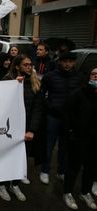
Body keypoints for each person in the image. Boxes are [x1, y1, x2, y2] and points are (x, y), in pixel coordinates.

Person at [0, 55, 43, 202]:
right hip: (10, 127)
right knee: (6, 156)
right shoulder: (7, 80)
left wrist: (32, 130)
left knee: (21, 157)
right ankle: (1, 184)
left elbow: (38, 108)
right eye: (26, 65)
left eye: (30, 64)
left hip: (27, 128)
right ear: (17, 66)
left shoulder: (35, 83)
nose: (29, 67)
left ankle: (15, 184)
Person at [40, 51, 84, 185]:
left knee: (65, 147)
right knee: (49, 145)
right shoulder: (50, 76)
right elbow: (42, 94)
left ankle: (61, 171)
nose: (67, 64)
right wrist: (50, 106)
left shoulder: (79, 77)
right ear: (60, 62)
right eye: (65, 61)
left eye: (70, 61)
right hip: (53, 116)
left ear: (74, 62)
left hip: (70, 118)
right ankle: (45, 170)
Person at [62, 67, 97, 210]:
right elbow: (66, 114)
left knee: (91, 167)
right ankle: (67, 193)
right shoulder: (78, 93)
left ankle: (85, 192)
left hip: (95, 139)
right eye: (94, 74)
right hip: (78, 137)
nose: (96, 76)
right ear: (88, 76)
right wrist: (70, 133)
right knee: (73, 167)